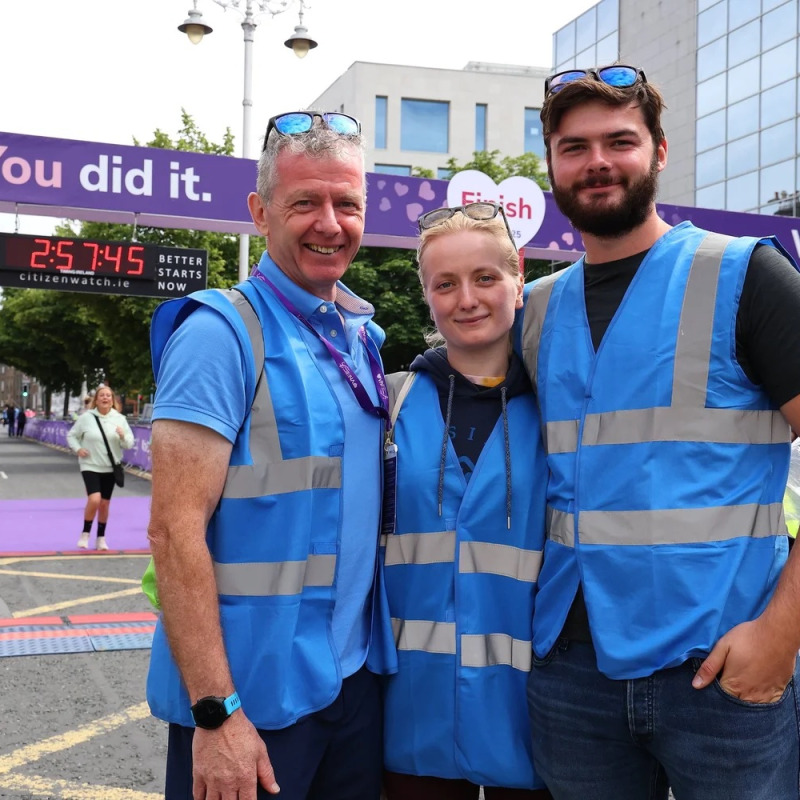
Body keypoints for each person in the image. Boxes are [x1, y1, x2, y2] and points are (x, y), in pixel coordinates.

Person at [519, 65, 800, 800]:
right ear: (550, 163)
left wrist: (782, 633)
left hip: (719, 672)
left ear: (661, 152)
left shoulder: (747, 276)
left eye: (620, 141)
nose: (598, 162)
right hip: (572, 675)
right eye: (574, 147)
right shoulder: (538, 310)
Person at [145, 110, 395, 800]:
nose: (330, 222)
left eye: (347, 203)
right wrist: (216, 713)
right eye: (305, 202)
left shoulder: (360, 340)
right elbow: (173, 531)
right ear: (259, 212)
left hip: (349, 686)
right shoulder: (220, 334)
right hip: (250, 703)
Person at [381, 202, 551, 800]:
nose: (467, 299)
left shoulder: (563, 408)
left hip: (532, 723)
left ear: (518, 278)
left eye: (485, 278)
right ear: (427, 296)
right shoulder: (390, 408)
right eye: (445, 284)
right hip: (410, 722)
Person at [67, 385, 134, 551]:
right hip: (90, 464)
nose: (105, 398)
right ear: (96, 400)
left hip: (110, 467)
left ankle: (101, 538)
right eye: (102, 396)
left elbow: (129, 443)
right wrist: (78, 449)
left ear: (113, 400)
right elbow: (72, 435)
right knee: (94, 499)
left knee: (104, 504)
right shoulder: (86, 418)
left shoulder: (120, 419)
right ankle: (85, 533)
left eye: (108, 396)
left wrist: (122, 435)